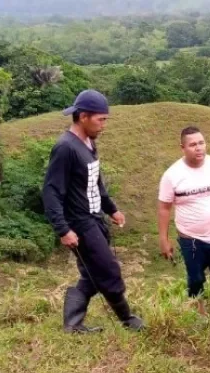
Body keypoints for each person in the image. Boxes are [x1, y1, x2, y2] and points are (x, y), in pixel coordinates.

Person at [42, 89, 144, 333]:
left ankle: (73, 325)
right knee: (108, 269)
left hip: (95, 218)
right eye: (101, 119)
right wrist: (63, 229)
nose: (104, 125)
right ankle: (127, 319)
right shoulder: (65, 148)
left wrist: (112, 209)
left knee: (92, 274)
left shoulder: (88, 144)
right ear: (83, 116)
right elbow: (51, 191)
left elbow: (96, 182)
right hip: (80, 222)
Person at [157, 127, 210, 318]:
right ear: (182, 147)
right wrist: (164, 239)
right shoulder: (172, 175)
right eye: (192, 144)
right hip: (191, 239)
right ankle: (199, 313)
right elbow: (164, 208)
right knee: (196, 278)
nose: (198, 148)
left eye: (201, 143)